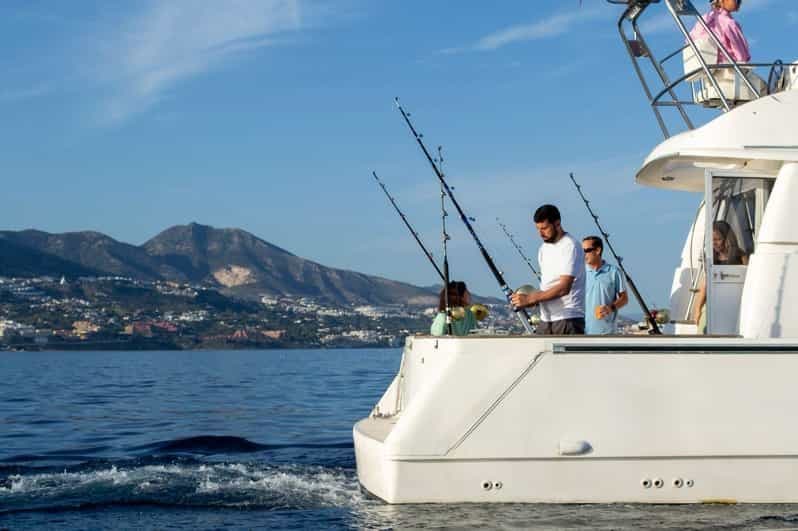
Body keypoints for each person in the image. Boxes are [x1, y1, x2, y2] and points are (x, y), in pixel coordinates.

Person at [511, 204, 585, 335]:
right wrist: (526, 300)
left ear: (557, 223)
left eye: (544, 228)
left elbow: (564, 288)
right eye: (538, 229)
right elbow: (548, 285)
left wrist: (531, 299)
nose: (540, 233)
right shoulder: (543, 249)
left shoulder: (570, 246)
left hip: (568, 319)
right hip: (546, 320)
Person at [692, 220, 748, 332]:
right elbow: (705, 284)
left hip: (735, 303)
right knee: (703, 327)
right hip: (714, 303)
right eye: (712, 240)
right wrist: (697, 308)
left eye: (718, 239)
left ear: (728, 239)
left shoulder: (740, 256)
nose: (714, 243)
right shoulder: (712, 258)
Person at [583, 236, 629, 335]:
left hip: (607, 333)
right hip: (582, 333)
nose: (584, 254)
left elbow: (624, 299)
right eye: (582, 251)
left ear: (598, 250)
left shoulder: (614, 272)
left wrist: (610, 308)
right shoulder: (580, 272)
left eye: (586, 250)